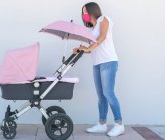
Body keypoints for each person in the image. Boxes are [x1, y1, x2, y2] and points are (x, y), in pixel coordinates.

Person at [73, 2, 125, 137]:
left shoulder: (104, 19)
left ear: (92, 10)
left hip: (108, 61)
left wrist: (89, 47)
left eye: (85, 11)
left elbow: (103, 37)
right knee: (101, 95)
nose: (84, 14)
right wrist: (82, 49)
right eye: (83, 12)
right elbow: (93, 49)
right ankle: (102, 124)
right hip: (97, 64)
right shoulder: (91, 30)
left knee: (109, 93)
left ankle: (119, 124)